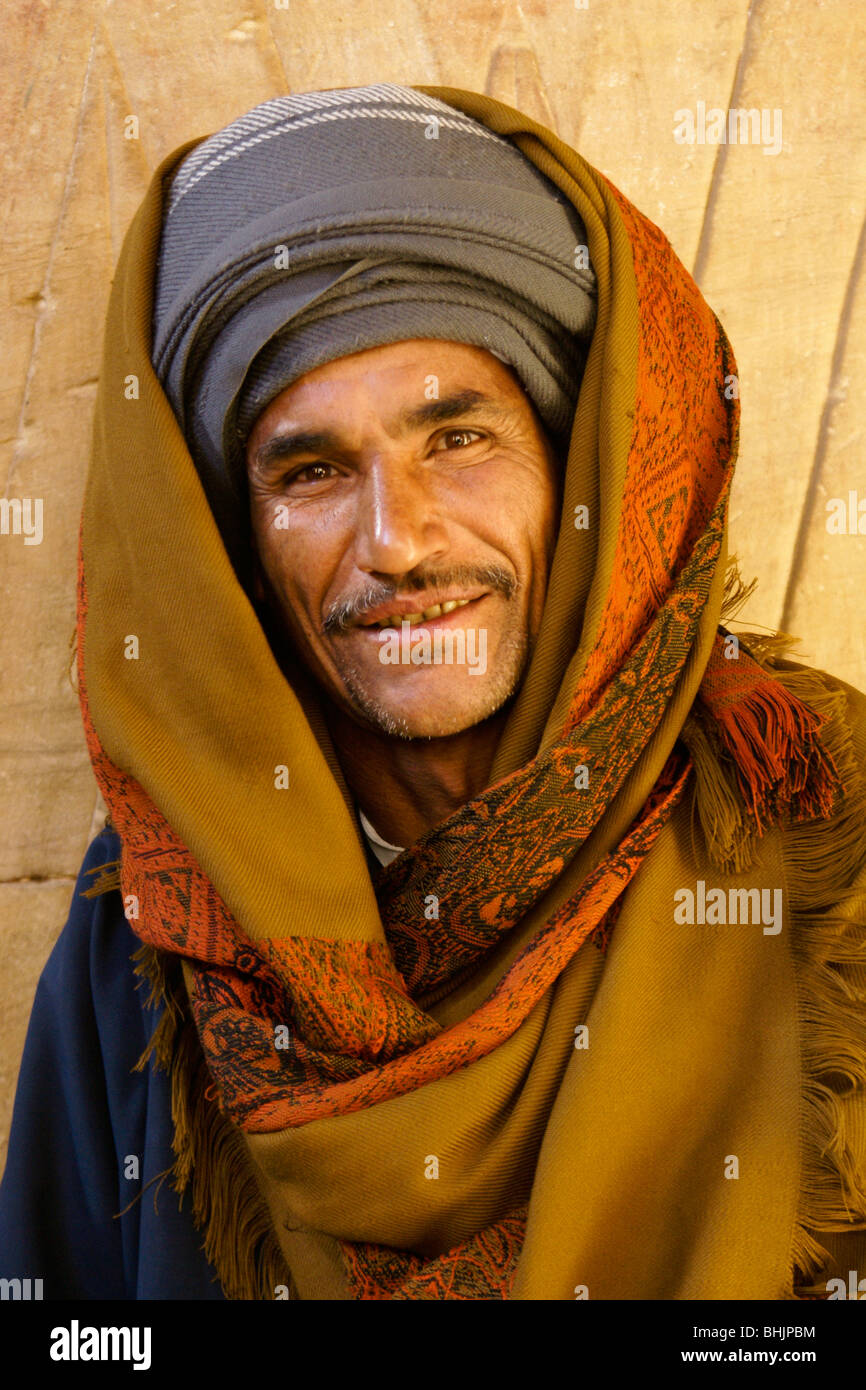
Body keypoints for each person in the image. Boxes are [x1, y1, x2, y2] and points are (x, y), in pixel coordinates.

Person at [1, 82, 865, 1301]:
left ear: (583, 472)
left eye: (456, 439)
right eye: (309, 470)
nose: (397, 540)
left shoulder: (821, 822)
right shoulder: (156, 920)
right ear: (235, 541)